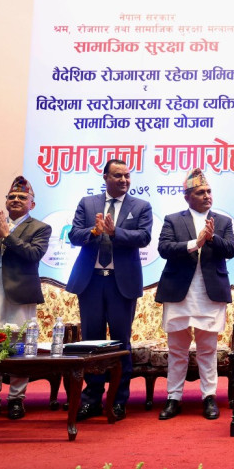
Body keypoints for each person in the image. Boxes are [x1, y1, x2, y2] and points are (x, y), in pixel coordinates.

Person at [66, 159, 153, 421]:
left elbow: (144, 237)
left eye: (127, 176)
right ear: (105, 177)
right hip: (91, 281)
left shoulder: (141, 206)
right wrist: (94, 231)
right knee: (91, 342)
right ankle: (92, 399)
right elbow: (73, 235)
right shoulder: (87, 203)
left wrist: (116, 233)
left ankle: (118, 400)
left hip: (121, 283)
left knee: (120, 343)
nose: (124, 180)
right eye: (118, 175)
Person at [155, 169, 234, 421]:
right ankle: (173, 398)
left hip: (209, 294)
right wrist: (195, 243)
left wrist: (212, 239)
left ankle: (209, 397)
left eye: (209, 191)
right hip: (179, 293)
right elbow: (164, 248)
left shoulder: (222, 221)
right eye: (201, 192)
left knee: (207, 350)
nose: (207, 196)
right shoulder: (172, 220)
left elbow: (231, 250)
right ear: (187, 197)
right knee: (177, 350)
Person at [0, 176, 51, 420]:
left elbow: (33, 254)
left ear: (32, 204)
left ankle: (16, 399)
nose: (16, 200)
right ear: (6, 201)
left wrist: (8, 236)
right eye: (12, 196)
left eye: (22, 197)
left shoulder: (40, 228)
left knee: (20, 343)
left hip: (21, 292)